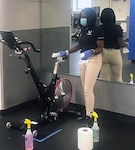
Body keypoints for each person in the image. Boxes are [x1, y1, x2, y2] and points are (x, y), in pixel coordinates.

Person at [53, 7, 104, 124]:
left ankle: (89, 115)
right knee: (84, 87)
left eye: (85, 17)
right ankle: (87, 111)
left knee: (87, 89)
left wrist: (91, 51)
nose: (82, 19)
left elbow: (100, 48)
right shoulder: (81, 30)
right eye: (81, 17)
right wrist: (67, 52)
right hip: (83, 60)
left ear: (90, 17)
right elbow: (80, 45)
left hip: (94, 60)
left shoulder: (98, 30)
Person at [100, 8, 128, 82]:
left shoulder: (99, 28)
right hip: (115, 54)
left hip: (103, 53)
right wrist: (126, 44)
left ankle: (106, 93)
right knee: (118, 77)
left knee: (105, 78)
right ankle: (119, 93)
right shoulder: (117, 28)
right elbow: (121, 43)